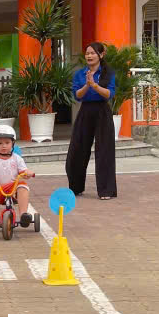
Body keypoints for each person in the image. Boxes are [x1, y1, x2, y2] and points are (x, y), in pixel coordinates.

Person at [65, 41, 118, 200]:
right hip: (85, 111)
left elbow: (109, 94)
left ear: (101, 55)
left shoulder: (108, 73)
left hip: (102, 111)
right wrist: (87, 85)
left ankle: (106, 190)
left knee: (104, 151)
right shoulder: (80, 74)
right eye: (87, 53)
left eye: (92, 53)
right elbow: (77, 95)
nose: (89, 56)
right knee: (77, 149)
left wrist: (94, 85)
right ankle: (75, 187)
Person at [0, 125, 35, 231]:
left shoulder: (17, 158)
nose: (4, 146)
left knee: (23, 185)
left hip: (12, 189)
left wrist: (27, 173)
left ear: (12, 143)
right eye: (0, 143)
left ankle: (23, 215)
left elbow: (23, 171)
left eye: (7, 143)